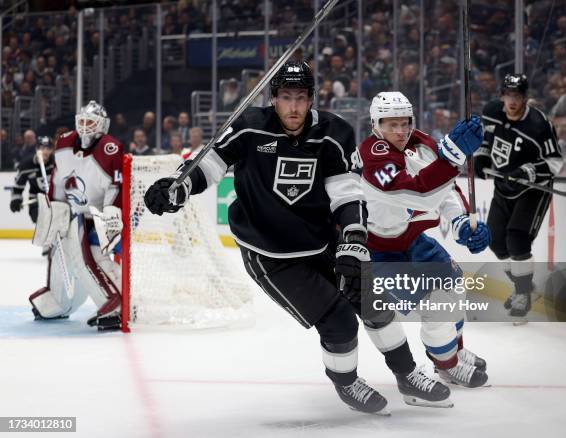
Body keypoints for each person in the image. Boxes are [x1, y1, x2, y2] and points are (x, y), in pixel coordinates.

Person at [143, 61, 479, 414]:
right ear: (274, 99)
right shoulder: (248, 128)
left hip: (321, 239)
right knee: (339, 322)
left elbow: (347, 193)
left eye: (301, 98)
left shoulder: (334, 132)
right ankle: (347, 383)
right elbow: (210, 165)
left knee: (373, 300)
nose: (293, 107)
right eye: (286, 97)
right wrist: (178, 189)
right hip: (271, 253)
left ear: (311, 99)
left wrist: (352, 238)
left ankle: (408, 375)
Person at [359, 91, 489, 388]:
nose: (401, 131)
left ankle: (452, 350)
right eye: (391, 124)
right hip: (381, 253)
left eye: (405, 123)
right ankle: (447, 365)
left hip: (413, 242)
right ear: (375, 124)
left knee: (454, 286)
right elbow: (420, 193)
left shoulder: (420, 142)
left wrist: (460, 223)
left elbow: (446, 188)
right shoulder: (373, 158)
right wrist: (453, 155)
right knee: (437, 305)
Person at [29, 100, 124, 331]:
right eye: (82, 121)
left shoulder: (110, 149)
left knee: (86, 255)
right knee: (59, 248)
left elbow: (116, 187)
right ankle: (59, 301)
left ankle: (115, 302)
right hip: (75, 213)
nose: (85, 127)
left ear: (102, 125)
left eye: (90, 122)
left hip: (101, 216)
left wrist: (111, 215)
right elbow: (58, 180)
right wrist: (55, 211)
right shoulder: (64, 145)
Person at [474, 74, 562, 317]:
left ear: (525, 98)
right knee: (494, 240)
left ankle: (523, 293)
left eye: (518, 96)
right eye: (508, 95)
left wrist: (526, 171)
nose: (512, 101)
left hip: (533, 189)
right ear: (502, 95)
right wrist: (481, 156)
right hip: (504, 187)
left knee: (517, 240)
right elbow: (486, 137)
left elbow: (554, 162)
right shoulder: (492, 111)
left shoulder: (539, 124)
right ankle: (524, 286)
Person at [9, 136, 55, 223]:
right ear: (37, 149)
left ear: (52, 150)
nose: (45, 151)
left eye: (48, 148)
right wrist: (16, 200)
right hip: (36, 201)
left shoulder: (57, 163)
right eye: (42, 148)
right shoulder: (26, 165)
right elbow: (17, 187)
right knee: (42, 223)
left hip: (55, 201)